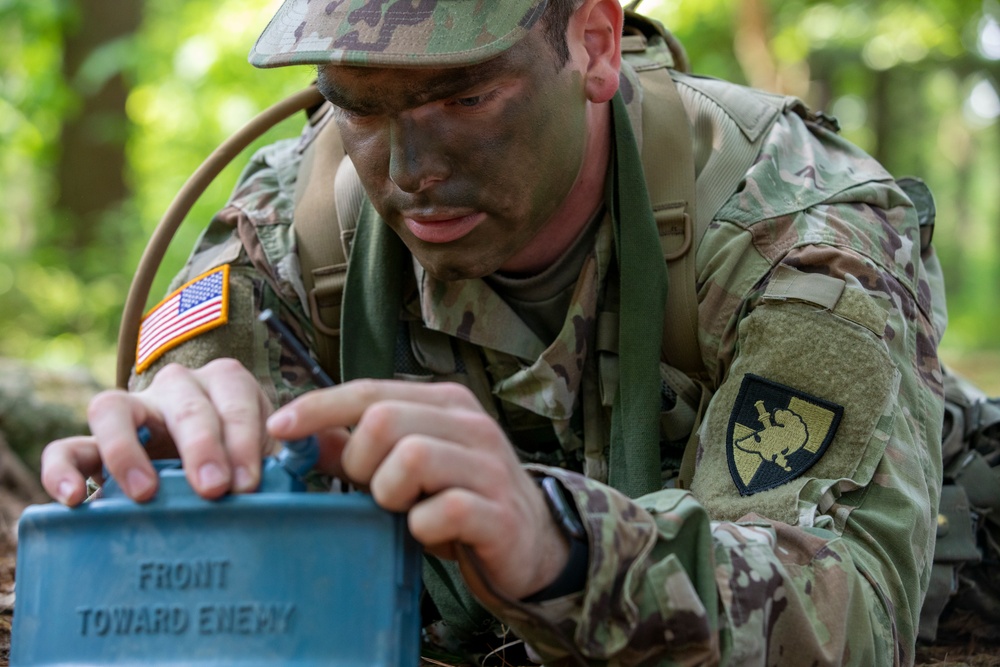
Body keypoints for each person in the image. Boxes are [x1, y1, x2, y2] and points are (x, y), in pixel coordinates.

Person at [40, 0, 947, 664]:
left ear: (594, 42)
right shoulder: (297, 219)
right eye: (359, 106)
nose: (410, 171)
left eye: (464, 98)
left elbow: (848, 618)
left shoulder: (798, 229)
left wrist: (561, 544)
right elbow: (184, 413)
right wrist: (175, 454)